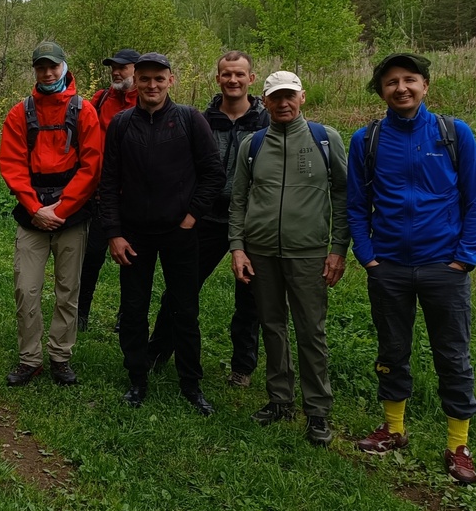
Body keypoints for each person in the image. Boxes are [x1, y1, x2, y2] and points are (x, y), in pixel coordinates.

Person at [347, 53, 476, 484]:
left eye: (410, 80)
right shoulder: (366, 140)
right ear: (381, 90)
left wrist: (465, 255)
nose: (401, 88)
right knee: (392, 351)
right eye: (391, 82)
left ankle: (457, 445)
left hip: (443, 266)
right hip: (388, 265)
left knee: (453, 355)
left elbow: (475, 198)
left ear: (426, 85)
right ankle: (393, 430)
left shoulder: (454, 133)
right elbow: (355, 205)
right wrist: (367, 254)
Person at [228, 71, 349, 447]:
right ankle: (279, 400)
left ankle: (318, 411)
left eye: (289, 96)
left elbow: (344, 196)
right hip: (261, 251)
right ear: (264, 101)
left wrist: (337, 249)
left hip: (310, 252)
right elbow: (239, 200)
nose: (283, 103)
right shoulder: (253, 144)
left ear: (302, 98)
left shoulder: (325, 140)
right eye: (275, 97)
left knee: (311, 331)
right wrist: (237, 247)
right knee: (272, 325)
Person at [99, 52, 223, 413]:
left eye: (159, 79)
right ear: (135, 82)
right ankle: (137, 378)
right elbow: (109, 183)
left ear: (171, 80)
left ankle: (191, 383)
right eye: (145, 79)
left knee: (184, 310)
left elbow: (213, 173)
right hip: (134, 234)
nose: (152, 85)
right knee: (133, 309)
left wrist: (190, 217)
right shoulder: (122, 124)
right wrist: (113, 233)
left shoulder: (189, 119)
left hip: (179, 233)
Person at [0, 42, 103, 386]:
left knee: (67, 289)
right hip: (33, 213)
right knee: (25, 289)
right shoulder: (20, 113)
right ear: (34, 70)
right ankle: (30, 358)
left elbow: (91, 165)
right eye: (41, 68)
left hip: (71, 214)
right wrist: (35, 208)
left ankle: (60, 356)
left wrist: (62, 208)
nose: (47, 74)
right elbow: (12, 164)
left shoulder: (83, 110)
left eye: (53, 67)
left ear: (64, 66)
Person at [200, 51, 271, 387]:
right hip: (208, 217)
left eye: (239, 74)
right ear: (218, 79)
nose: (233, 80)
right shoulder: (202, 121)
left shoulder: (266, 122)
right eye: (226, 74)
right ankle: (160, 351)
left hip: (252, 219)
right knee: (181, 288)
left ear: (250, 79)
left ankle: (242, 367)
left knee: (249, 299)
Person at [76, 48, 140, 330]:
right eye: (114, 67)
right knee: (90, 258)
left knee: (133, 261)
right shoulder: (101, 99)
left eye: (123, 67)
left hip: (136, 197)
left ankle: (126, 317)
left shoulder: (147, 101)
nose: (116, 71)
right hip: (102, 194)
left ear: (137, 70)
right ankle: (80, 314)